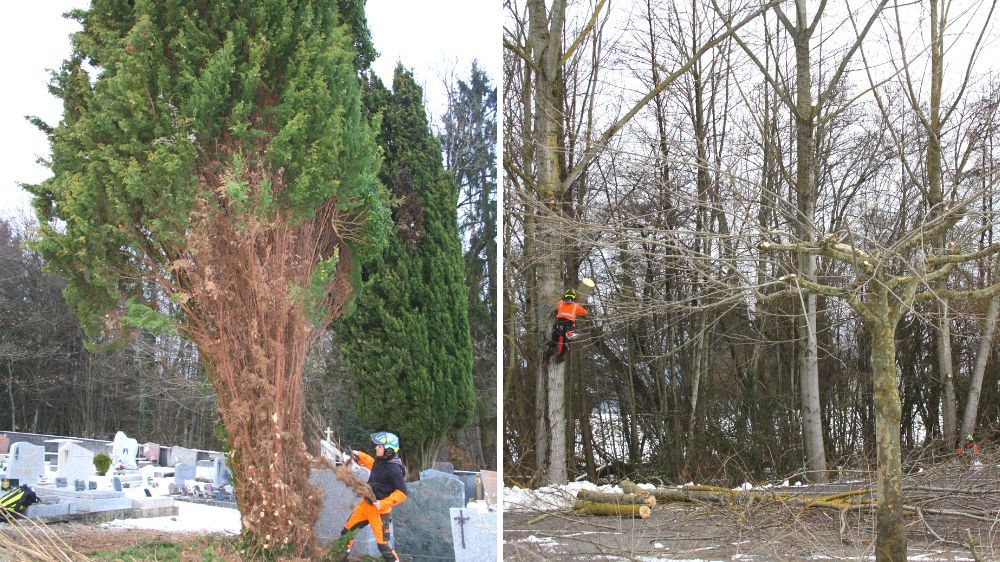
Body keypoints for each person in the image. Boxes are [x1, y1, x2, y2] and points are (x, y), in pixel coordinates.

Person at [340, 432, 407, 561]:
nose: (376, 448)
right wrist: (357, 454)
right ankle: (340, 556)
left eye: (379, 446)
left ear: (388, 450)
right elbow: (372, 463)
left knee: (384, 546)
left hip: (380, 512)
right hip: (365, 506)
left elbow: (402, 493)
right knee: (346, 533)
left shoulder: (395, 469)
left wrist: (383, 503)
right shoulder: (381, 461)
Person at [541, 288, 589, 367]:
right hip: (567, 326)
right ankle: (559, 358)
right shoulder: (576, 306)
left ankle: (546, 360)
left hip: (557, 325)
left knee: (553, 343)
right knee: (565, 343)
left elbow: (554, 306)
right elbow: (585, 313)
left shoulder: (560, 303)